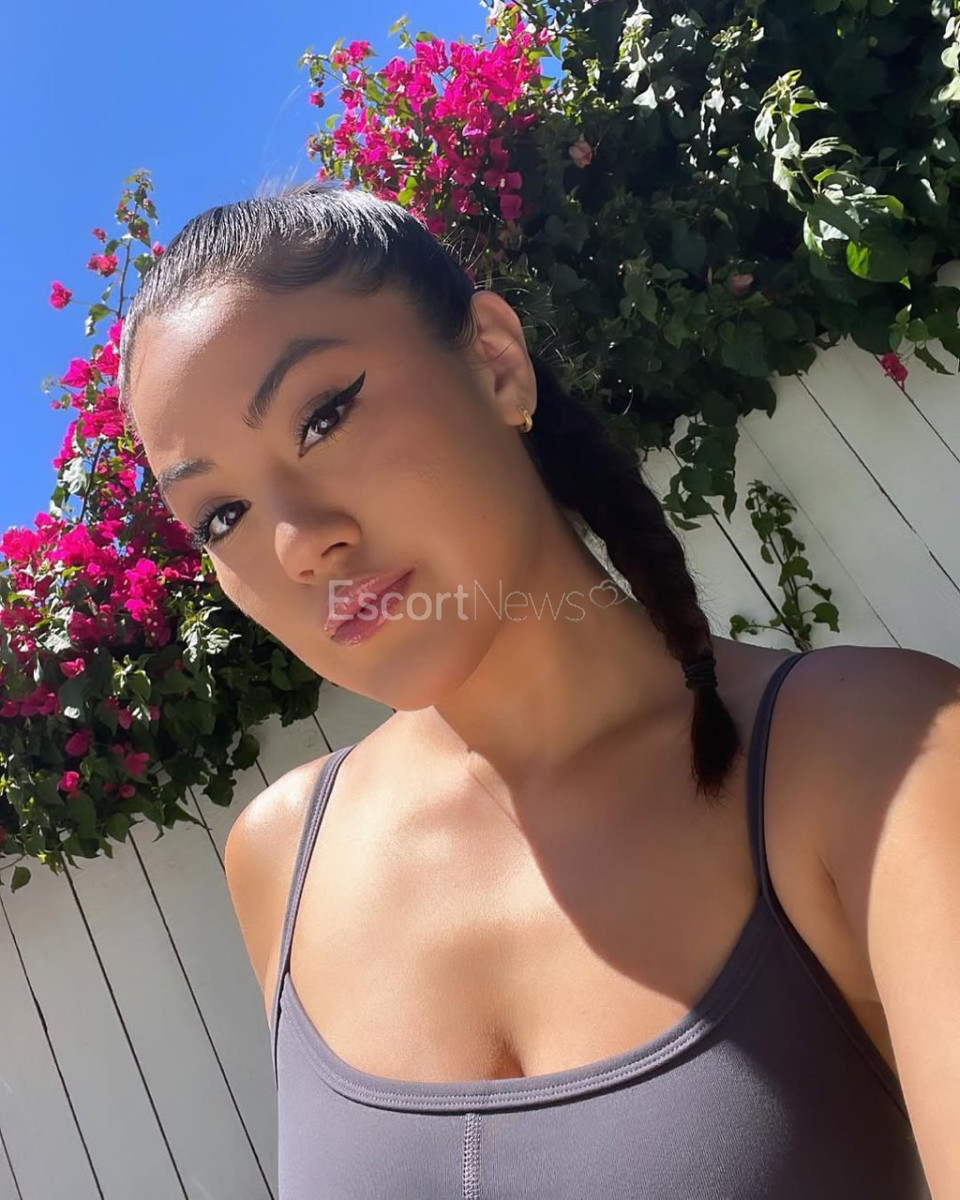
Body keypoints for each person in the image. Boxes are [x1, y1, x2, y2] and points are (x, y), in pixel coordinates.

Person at [116, 181, 957, 1198]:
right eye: (221, 516)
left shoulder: (880, 757)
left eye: (325, 417)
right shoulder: (279, 858)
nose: (297, 543)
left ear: (497, 363)